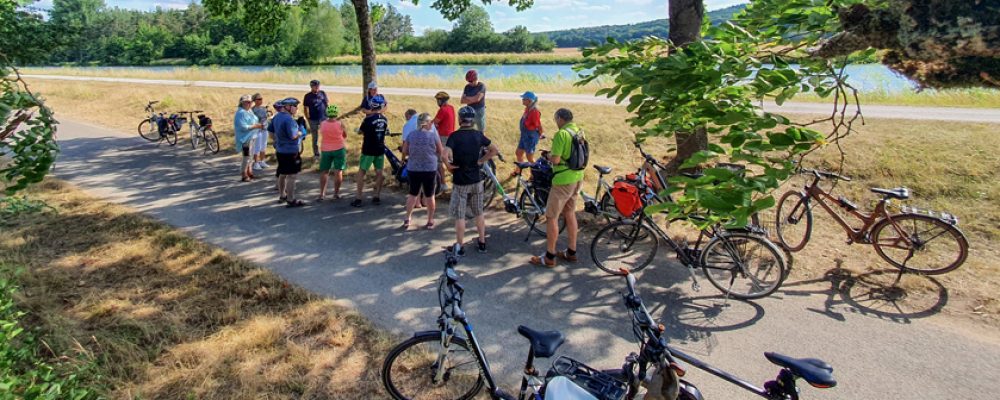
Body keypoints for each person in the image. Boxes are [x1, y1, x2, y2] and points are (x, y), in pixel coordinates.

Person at [531, 108, 585, 267]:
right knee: (569, 212)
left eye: (556, 120)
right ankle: (571, 251)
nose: (556, 123)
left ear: (560, 119)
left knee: (551, 216)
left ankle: (550, 256)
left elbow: (555, 160)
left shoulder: (562, 134)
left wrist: (547, 155)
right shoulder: (579, 131)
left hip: (563, 179)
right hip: (577, 177)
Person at [445, 105, 499, 254]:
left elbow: (445, 154)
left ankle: (459, 246)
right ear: (473, 120)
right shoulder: (478, 135)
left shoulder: (454, 136)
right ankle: (482, 242)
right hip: (476, 180)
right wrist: (481, 161)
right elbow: (494, 150)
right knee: (479, 213)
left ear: (460, 119)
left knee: (460, 215)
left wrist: (448, 166)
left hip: (461, 180)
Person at [402, 113, 445, 230]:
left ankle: (407, 218)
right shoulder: (433, 136)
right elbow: (440, 151)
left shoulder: (411, 135)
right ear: (428, 123)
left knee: (412, 193)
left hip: (413, 168)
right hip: (429, 169)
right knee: (430, 195)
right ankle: (430, 220)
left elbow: (405, 151)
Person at [351, 96, 389, 208]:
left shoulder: (368, 120)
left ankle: (358, 198)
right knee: (379, 173)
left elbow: (361, 131)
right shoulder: (384, 119)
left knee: (361, 173)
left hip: (368, 149)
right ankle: (376, 196)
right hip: (380, 149)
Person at [274, 97, 307, 207]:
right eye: (295, 106)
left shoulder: (277, 116)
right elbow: (294, 136)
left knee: (282, 173)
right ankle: (291, 199)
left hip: (280, 150)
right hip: (291, 152)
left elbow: (270, 131)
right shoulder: (289, 120)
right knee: (292, 176)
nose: (297, 108)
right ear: (288, 107)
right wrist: (301, 130)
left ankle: (282, 195)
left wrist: (278, 141)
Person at [318, 104, 347, 201]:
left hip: (326, 149)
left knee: (324, 171)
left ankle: (322, 194)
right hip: (339, 149)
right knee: (338, 171)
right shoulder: (340, 124)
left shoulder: (323, 124)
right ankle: (336, 193)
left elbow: (322, 133)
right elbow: (345, 135)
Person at [234, 94, 263, 182]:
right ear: (242, 103)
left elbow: (255, 120)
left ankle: (249, 171)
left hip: (252, 136)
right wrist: (255, 126)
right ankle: (243, 173)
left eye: (250, 102)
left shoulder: (249, 111)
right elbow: (243, 127)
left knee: (250, 156)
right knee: (246, 157)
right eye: (247, 102)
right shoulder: (241, 113)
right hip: (244, 138)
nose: (249, 104)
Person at [514, 91, 544, 177]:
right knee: (519, 153)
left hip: (530, 136)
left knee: (529, 157)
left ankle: (534, 175)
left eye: (524, 99)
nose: (522, 100)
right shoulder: (528, 108)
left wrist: (540, 134)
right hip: (524, 135)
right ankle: (518, 170)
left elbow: (538, 124)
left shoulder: (534, 112)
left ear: (530, 101)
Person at [303, 79, 328, 161]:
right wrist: (308, 118)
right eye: (315, 86)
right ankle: (316, 154)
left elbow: (326, 104)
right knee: (315, 137)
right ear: (311, 87)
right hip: (313, 119)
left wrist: (328, 115)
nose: (317, 87)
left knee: (325, 136)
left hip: (323, 118)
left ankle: (326, 152)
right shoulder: (307, 96)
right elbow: (305, 108)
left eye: (318, 86)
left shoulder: (322, 93)